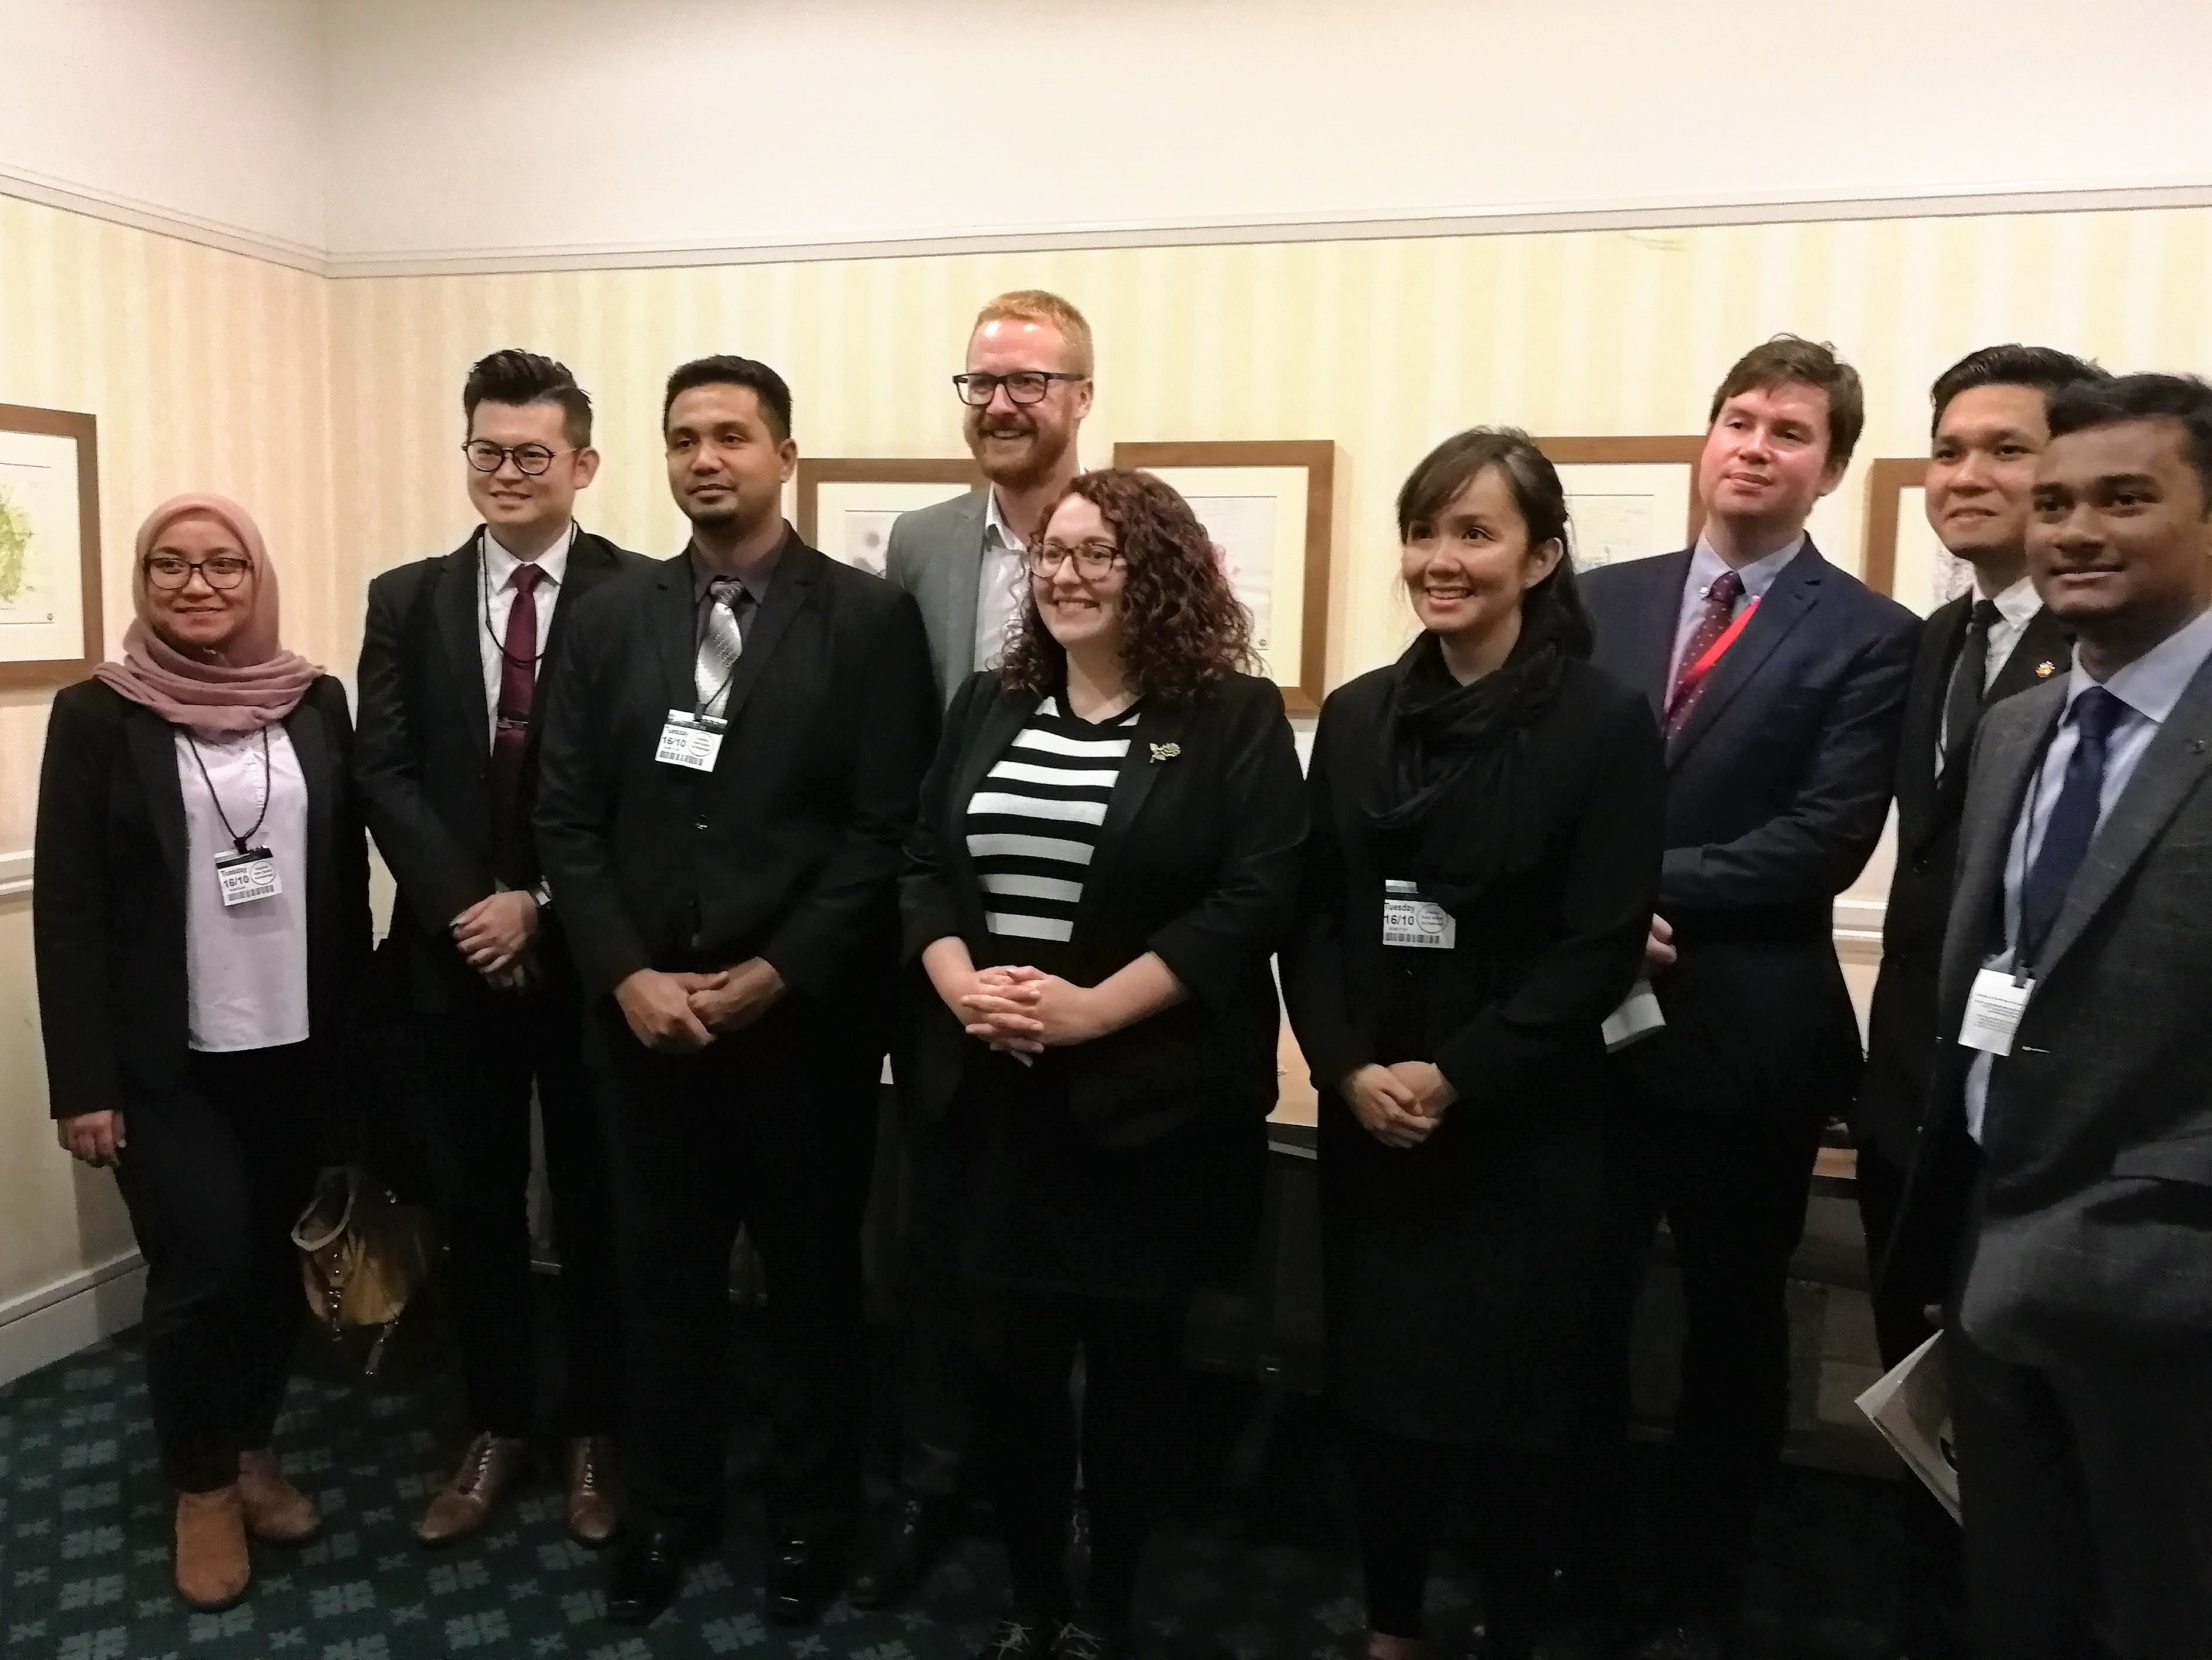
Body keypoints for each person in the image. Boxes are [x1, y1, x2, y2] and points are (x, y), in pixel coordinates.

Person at [534, 355, 938, 1627]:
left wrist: (777, 972)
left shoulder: (870, 622)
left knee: (816, 1291)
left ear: (784, 456)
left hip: (802, 1031)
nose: (706, 459)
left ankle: (814, 1523)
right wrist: (626, 975)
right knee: (661, 1287)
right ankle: (671, 1511)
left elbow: (885, 830)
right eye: (684, 439)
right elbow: (566, 820)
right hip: (644, 1029)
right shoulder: (606, 620)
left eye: (732, 437)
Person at [900, 467, 1304, 1660]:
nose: (1066, 577)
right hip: (993, 1105)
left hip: (1150, 1119)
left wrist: (1093, 1014)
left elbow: (1253, 900)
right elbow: (924, 861)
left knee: (1134, 1387)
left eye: (1099, 556)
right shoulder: (989, 701)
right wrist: (959, 980)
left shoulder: (1231, 715)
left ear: (1160, 574)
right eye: (1054, 557)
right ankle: (1034, 1602)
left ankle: (1113, 1606)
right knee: (1010, 1379)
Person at [1284, 430, 1663, 1660]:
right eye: (1424, 531)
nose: (1440, 561)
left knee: (1519, 1413)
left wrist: (1458, 1075)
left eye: (1476, 533)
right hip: (1377, 1117)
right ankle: (1392, 1626)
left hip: (1526, 1127)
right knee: (1382, 1404)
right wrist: (1349, 1072)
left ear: (1542, 556)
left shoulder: (1605, 725)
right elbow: (1317, 919)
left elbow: (1598, 945)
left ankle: (1512, 1622)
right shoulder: (1355, 718)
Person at [1578, 336, 1916, 1659]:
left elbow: (1822, 839)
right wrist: (1596, 911)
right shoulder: (1601, 601)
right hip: (1589, 1039)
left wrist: (1620, 886)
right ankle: (1582, 1556)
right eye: (1739, 419)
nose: (1755, 447)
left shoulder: (1873, 636)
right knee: (1580, 1309)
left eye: (1791, 432)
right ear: (1703, 436)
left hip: (1748, 1044)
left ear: (1829, 470)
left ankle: (1711, 1580)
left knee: (1732, 1323)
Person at [1886, 372, 2212, 1660]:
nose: (2074, 530)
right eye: (2058, 500)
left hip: (2175, 1285)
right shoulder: (2023, 727)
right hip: (1991, 1242)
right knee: (2020, 1605)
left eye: (2125, 500)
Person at [33, 495, 371, 1612]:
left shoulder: (313, 701)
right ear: (141, 580)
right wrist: (81, 1083)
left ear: (255, 575)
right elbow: (69, 908)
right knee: (201, 1266)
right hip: (164, 1058)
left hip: (296, 1041)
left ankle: (254, 1447)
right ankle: (200, 1486)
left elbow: (337, 873)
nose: (198, 585)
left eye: (223, 564)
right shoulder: (97, 715)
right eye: (169, 565)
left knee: (271, 1258)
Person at [355, 349, 645, 1548]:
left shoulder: (643, 596)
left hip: (588, 958)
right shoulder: (406, 596)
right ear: (464, 454)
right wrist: (475, 905)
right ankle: (495, 1423)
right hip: (448, 958)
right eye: (488, 450)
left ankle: (593, 1432)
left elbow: (643, 788)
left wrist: (542, 903)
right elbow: (386, 767)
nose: (509, 472)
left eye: (534, 453)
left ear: (582, 463)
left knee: (596, 1201)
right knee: (475, 1204)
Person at [1850, 343, 2102, 1658]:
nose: (1969, 475)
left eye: (2008, 449)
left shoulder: (2109, 646)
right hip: (1912, 1099)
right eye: (1950, 448)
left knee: (2034, 1452)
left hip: (2043, 1126)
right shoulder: (1940, 637)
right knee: (1920, 1403)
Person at [862, 292, 1096, 1608]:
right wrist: (937, 945)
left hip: (1081, 967)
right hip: (942, 953)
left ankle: (1059, 1506)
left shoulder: (1125, 529)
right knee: (936, 1246)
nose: (1003, 405)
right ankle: (932, 1479)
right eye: (983, 384)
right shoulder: (922, 543)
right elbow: (907, 754)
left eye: (1031, 383)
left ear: (1080, 397)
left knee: (1058, 1252)